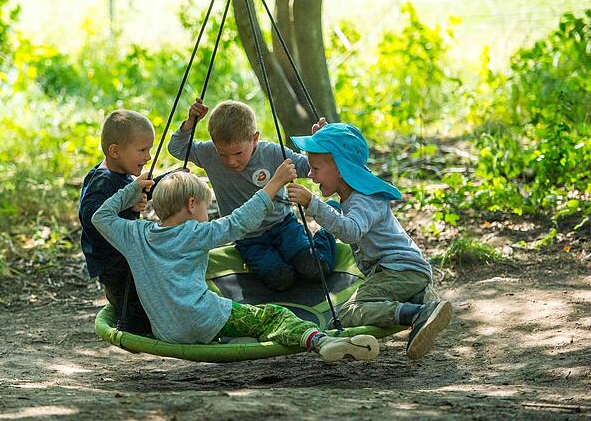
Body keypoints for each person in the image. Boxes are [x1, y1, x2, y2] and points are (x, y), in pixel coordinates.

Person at [91, 163, 380, 362]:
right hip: (204, 319)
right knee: (271, 317)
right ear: (192, 205)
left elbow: (100, 217)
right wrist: (275, 183)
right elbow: (240, 221)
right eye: (206, 207)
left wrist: (132, 191)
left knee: (230, 314)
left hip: (166, 330)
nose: (208, 214)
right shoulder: (196, 232)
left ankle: (228, 340)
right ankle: (320, 341)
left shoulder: (135, 235)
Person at [286, 122, 453, 360]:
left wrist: (313, 205)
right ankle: (417, 299)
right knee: (354, 308)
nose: (310, 175)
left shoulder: (362, 199)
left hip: (401, 270)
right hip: (402, 270)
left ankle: (418, 313)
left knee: (347, 314)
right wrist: (324, 140)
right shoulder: (355, 187)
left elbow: (351, 231)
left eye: (314, 168)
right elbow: (346, 159)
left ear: (341, 169)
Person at [167, 99, 336, 291]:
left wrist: (319, 145)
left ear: (254, 139)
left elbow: (308, 167)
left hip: (283, 225)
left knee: (315, 269)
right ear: (214, 144)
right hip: (248, 237)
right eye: (223, 154)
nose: (231, 161)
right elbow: (177, 148)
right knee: (280, 279)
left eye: (239, 153)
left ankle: (326, 232)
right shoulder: (208, 153)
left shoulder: (271, 153)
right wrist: (190, 123)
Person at [78, 109, 156, 335]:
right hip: (113, 262)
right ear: (115, 151)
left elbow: (138, 192)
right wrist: (127, 204)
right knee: (134, 307)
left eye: (149, 149)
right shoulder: (102, 181)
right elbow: (92, 215)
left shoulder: (120, 173)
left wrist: (168, 180)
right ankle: (131, 328)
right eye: (142, 150)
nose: (148, 156)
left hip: (125, 254)